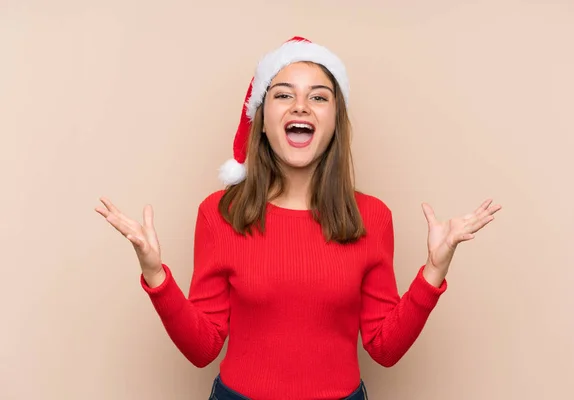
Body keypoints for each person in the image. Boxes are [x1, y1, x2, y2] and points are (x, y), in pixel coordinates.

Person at [95, 36, 501, 400]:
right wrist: (155, 276)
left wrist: (434, 270)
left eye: (319, 97)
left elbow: (384, 348)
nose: (301, 106)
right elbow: (203, 350)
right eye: (284, 95)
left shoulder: (373, 218)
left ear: (333, 124)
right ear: (262, 121)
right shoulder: (220, 214)